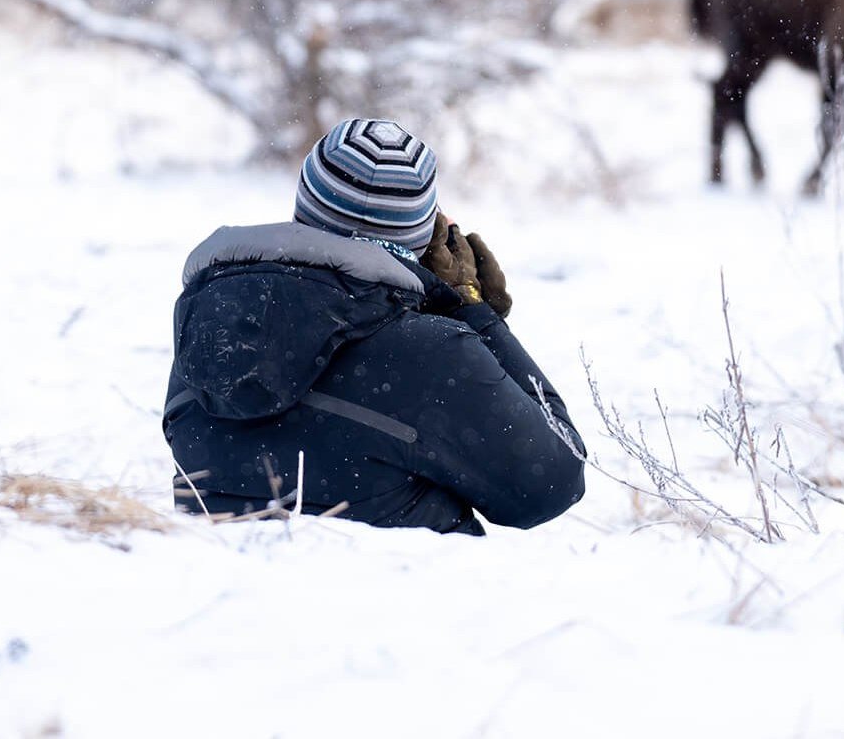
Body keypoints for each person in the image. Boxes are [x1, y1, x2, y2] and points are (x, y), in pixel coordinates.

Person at [162, 117, 586, 534]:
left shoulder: (215, 318)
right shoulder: (433, 352)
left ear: (304, 207)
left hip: (223, 586)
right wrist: (470, 312)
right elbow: (550, 484)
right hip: (397, 594)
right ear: (421, 236)